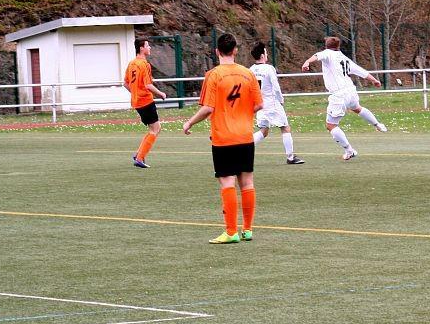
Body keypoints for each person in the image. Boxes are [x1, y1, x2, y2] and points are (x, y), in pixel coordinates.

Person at [183, 33, 263, 245]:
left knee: (227, 182)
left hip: (224, 137)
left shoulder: (213, 75)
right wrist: (242, 115)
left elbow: (208, 108)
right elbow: (259, 104)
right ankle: (247, 230)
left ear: (217, 51)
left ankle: (231, 232)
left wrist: (189, 123)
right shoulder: (248, 74)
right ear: (235, 50)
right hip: (245, 135)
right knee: (247, 182)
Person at [301, 36, 387, 161]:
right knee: (357, 108)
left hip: (339, 95)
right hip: (351, 91)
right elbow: (360, 71)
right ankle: (378, 124)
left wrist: (307, 62)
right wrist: (374, 80)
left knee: (331, 125)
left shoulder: (327, 53)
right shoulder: (343, 58)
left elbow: (317, 56)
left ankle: (349, 150)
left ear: (326, 46)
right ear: (338, 46)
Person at [249, 42, 304, 165]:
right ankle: (290, 157)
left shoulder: (251, 70)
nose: (267, 54)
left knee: (264, 131)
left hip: (260, 104)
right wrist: (281, 100)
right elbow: (276, 87)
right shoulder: (269, 68)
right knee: (285, 128)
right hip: (272, 103)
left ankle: (243, 148)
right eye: (266, 52)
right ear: (262, 55)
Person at [124, 37, 168, 168]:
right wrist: (160, 93)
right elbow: (148, 85)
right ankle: (139, 158)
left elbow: (125, 83)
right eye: (147, 45)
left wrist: (135, 92)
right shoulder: (144, 64)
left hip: (137, 101)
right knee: (156, 129)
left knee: (153, 129)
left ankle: (139, 154)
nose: (150, 48)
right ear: (141, 48)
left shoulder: (132, 63)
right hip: (145, 101)